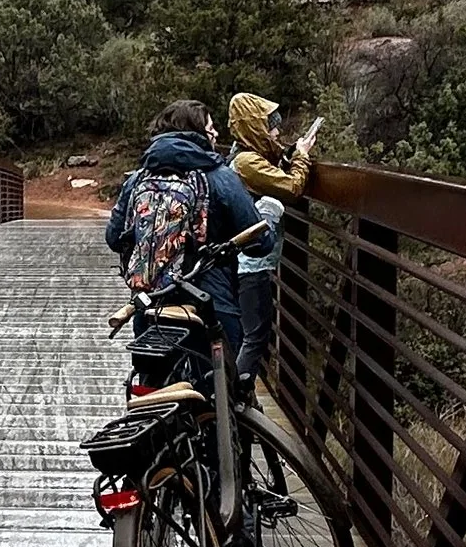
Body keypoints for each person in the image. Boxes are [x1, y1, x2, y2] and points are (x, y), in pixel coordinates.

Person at [104, 99, 263, 359]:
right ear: (199, 133)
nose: (217, 134)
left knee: (150, 379)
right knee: (220, 379)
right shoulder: (221, 177)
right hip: (209, 303)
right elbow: (261, 242)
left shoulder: (138, 178)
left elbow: (113, 238)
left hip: (151, 302)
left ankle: (150, 391)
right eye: (212, 129)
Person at [225, 90, 317, 397]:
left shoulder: (244, 156)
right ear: (255, 127)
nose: (276, 131)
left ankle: (232, 398)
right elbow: (290, 187)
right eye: (270, 125)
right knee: (255, 335)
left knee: (245, 334)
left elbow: (273, 175)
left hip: (241, 261)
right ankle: (233, 400)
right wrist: (302, 157)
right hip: (249, 263)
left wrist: (288, 155)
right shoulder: (247, 161)